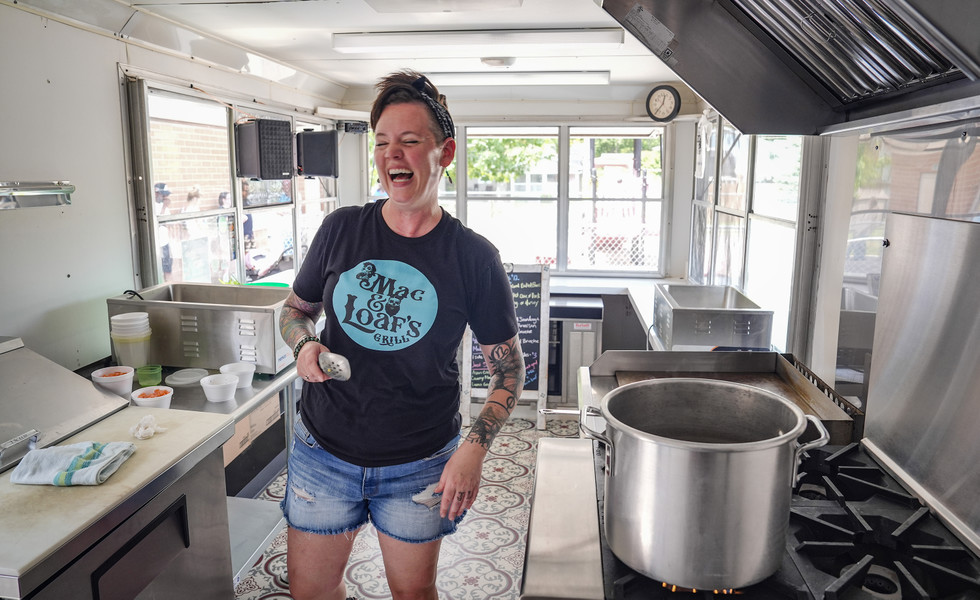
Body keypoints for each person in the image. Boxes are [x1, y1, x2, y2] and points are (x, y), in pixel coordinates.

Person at [278, 70, 525, 600]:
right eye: (384, 143)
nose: (393, 155)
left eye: (410, 142)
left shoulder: (473, 257)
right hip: (323, 452)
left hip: (420, 463)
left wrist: (473, 452)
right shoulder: (340, 229)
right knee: (310, 593)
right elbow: (295, 310)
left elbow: (508, 369)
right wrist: (304, 344)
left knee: (413, 594)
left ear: (445, 152)